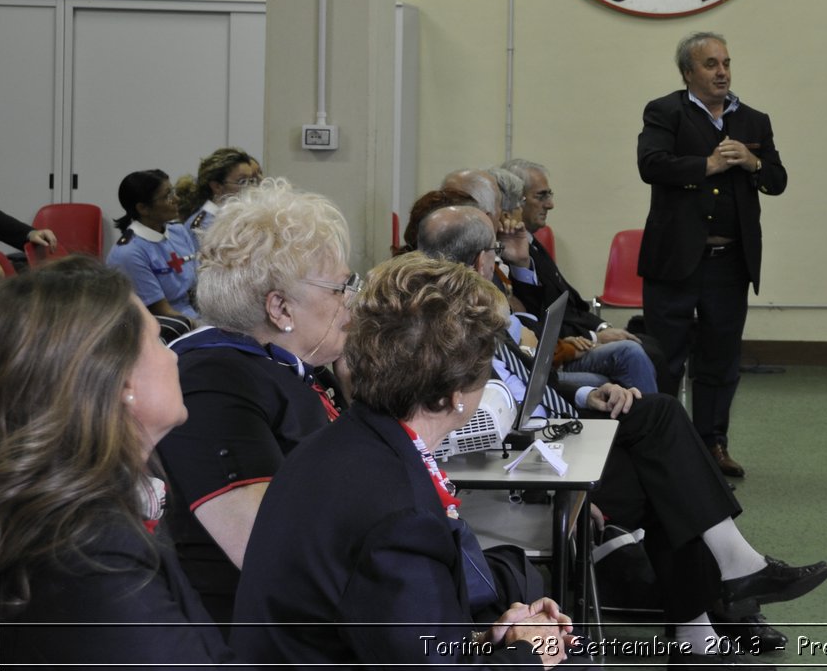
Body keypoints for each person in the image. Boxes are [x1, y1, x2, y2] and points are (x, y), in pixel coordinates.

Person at [418, 203, 827, 663]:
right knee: (663, 462)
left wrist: (583, 398)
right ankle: (719, 600)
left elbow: (527, 375)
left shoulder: (471, 301)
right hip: (517, 464)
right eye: (494, 252)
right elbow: (482, 414)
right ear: (480, 260)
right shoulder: (450, 323)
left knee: (660, 422)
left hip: (539, 428)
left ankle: (720, 597)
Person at [231, 254, 584, 668]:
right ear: (456, 392)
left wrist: (487, 640)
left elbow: (403, 636)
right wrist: (529, 654)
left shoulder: (341, 443)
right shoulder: (400, 517)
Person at [0, 256, 240, 666]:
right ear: (122, 381)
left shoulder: (90, 507)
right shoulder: (91, 552)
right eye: (158, 341)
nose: (174, 357)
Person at [155, 178, 355, 627]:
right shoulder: (214, 382)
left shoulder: (278, 365)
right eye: (340, 289)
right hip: (253, 633)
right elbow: (268, 553)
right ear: (280, 308)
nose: (351, 306)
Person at [637, 32, 787, 478]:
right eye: (710, 64)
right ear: (688, 72)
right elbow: (651, 165)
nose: (721, 72)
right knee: (666, 357)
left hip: (730, 264)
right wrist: (709, 165)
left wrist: (753, 163)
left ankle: (712, 445)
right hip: (675, 262)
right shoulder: (664, 111)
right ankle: (659, 444)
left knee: (720, 360)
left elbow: (777, 180)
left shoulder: (754, 120)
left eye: (725, 63)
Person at [500, 157, 666, 384]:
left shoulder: (532, 242)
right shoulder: (507, 254)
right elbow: (537, 320)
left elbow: (570, 303)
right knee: (632, 352)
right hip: (555, 351)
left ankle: (655, 412)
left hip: (569, 339)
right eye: (541, 196)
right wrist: (595, 337)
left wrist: (602, 327)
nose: (550, 204)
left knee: (652, 346)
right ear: (514, 202)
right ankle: (650, 415)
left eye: (550, 195)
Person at [105, 169, 200, 341]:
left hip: (191, 316)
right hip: (163, 327)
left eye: (172, 192)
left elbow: (196, 288)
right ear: (143, 208)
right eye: (167, 196)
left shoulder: (177, 231)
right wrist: (204, 327)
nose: (176, 200)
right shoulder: (129, 252)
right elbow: (161, 310)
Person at [175, 147, 262, 239]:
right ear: (217, 187)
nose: (251, 187)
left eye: (251, 181)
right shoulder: (202, 227)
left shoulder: (241, 217)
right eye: (242, 181)